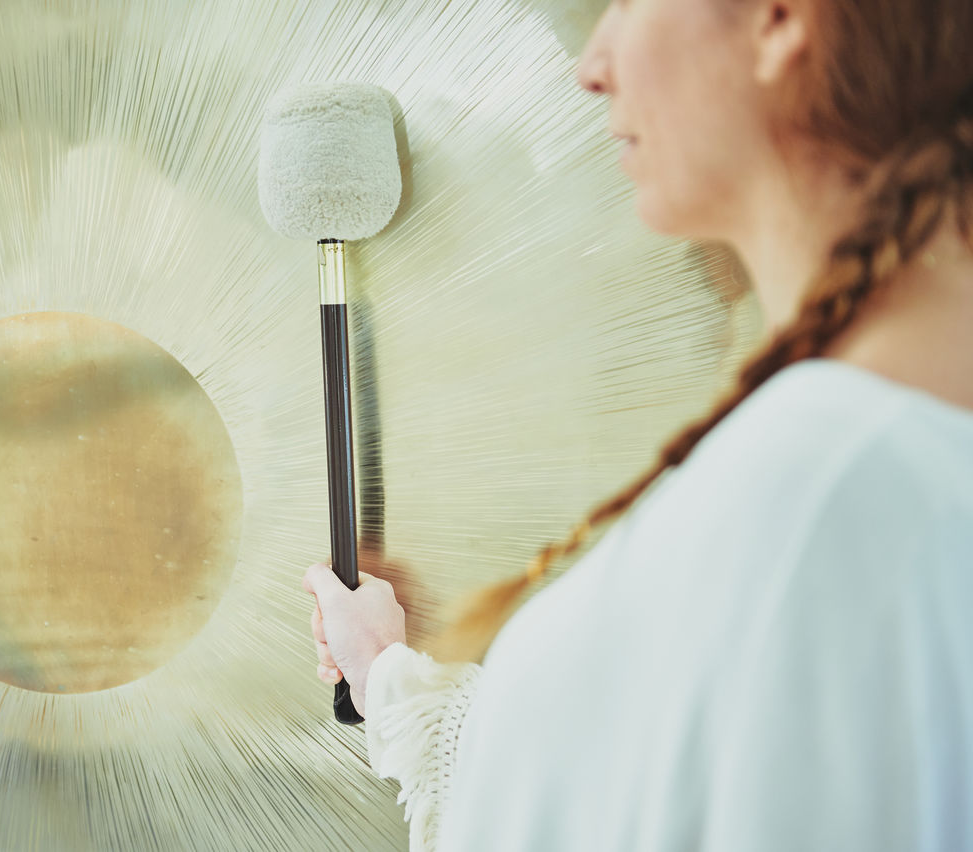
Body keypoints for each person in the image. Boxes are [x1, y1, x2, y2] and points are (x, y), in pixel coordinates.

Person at [301, 0, 973, 849]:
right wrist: (391, 675)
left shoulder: (816, 500)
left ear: (778, 19)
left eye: (627, 2)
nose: (594, 63)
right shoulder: (853, 465)